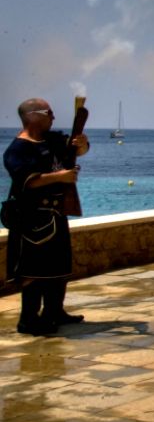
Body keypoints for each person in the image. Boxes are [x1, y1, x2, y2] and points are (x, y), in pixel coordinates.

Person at [5, 98, 89, 335]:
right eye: (48, 112)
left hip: (56, 213)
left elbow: (77, 150)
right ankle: (29, 320)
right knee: (33, 272)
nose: (53, 116)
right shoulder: (17, 149)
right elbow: (27, 180)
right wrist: (60, 177)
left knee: (58, 268)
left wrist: (82, 144)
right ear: (32, 116)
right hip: (32, 219)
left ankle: (54, 312)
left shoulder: (52, 140)